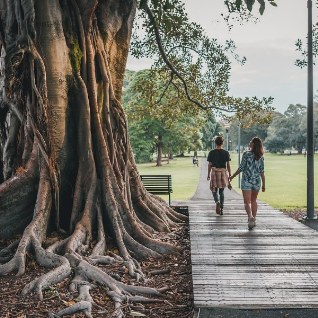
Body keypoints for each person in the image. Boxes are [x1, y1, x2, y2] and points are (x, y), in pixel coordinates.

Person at [229, 137, 266, 230]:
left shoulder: (246, 154)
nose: (249, 143)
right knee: (253, 201)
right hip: (257, 181)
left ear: (253, 144)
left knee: (246, 202)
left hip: (246, 181)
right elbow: (262, 172)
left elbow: (241, 168)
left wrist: (232, 176)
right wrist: (264, 185)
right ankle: (254, 219)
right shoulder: (261, 156)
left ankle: (250, 217)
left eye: (250, 142)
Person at [207, 136, 231, 215]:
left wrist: (208, 174)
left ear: (215, 143)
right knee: (222, 191)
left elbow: (210, 164)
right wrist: (229, 175)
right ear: (222, 143)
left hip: (214, 172)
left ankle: (217, 202)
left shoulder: (211, 152)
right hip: (223, 173)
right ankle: (221, 208)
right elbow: (228, 165)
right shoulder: (226, 152)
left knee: (214, 190)